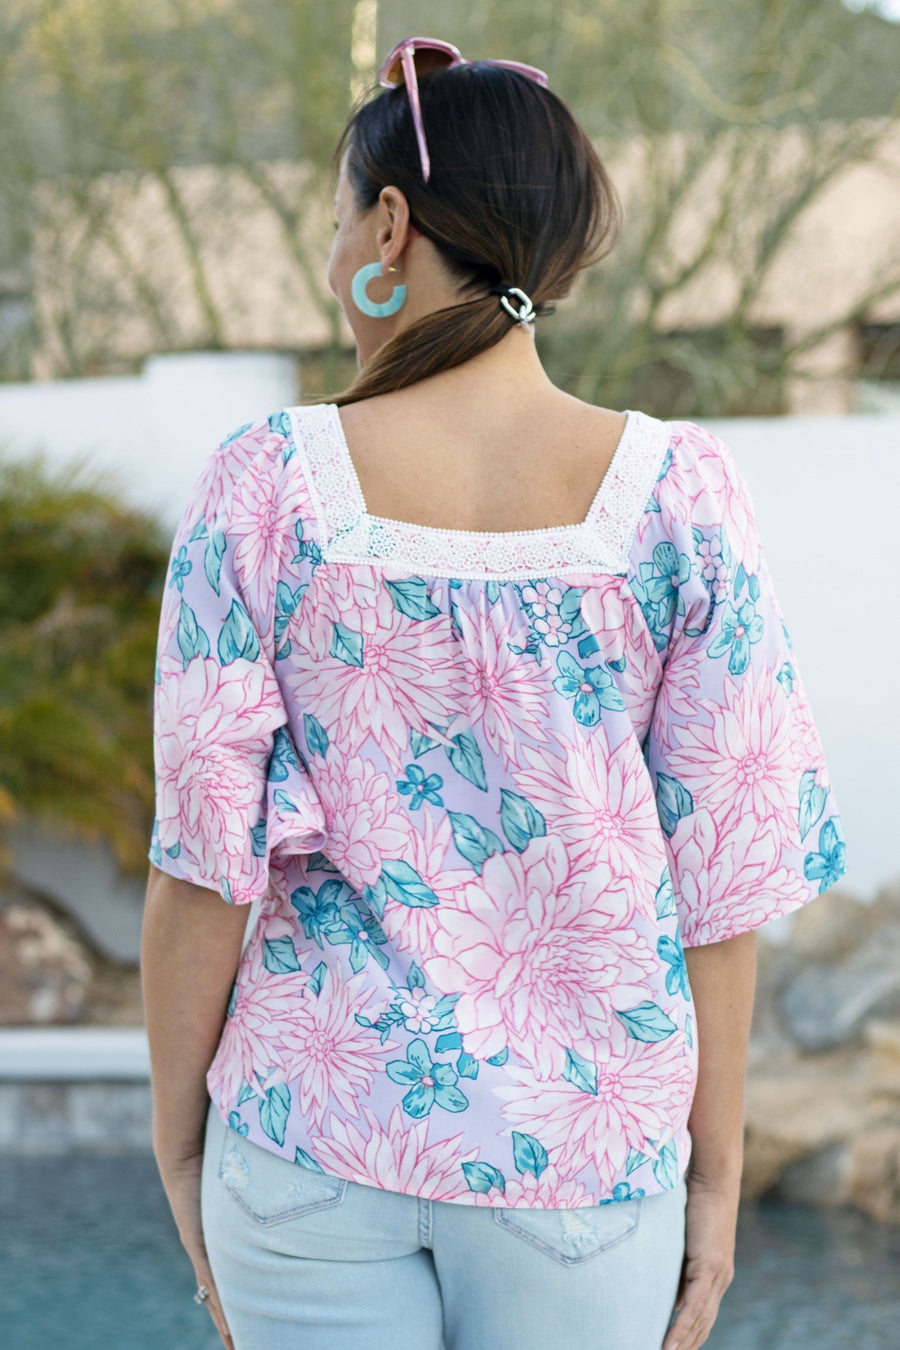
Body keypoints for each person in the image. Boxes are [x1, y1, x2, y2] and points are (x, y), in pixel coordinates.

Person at [141, 34, 847, 1350]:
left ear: (389, 226)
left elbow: (201, 864)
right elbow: (726, 878)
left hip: (309, 1138)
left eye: (339, 221)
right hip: (584, 1164)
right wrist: (716, 1178)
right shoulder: (679, 494)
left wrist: (180, 1148)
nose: (335, 257)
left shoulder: (263, 483)